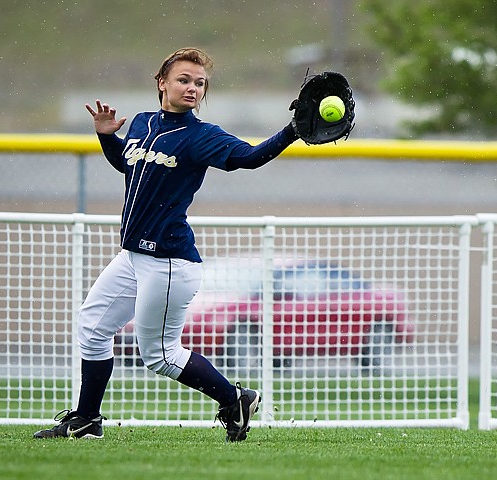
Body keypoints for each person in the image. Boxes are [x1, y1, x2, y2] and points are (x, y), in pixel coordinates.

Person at [33, 47, 298, 442]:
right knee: (92, 327)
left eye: (200, 83)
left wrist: (292, 131)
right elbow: (128, 164)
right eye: (184, 80)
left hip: (169, 262)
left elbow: (251, 157)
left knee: (160, 355)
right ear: (162, 83)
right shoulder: (141, 122)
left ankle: (235, 398)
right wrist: (107, 138)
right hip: (134, 256)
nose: (193, 88)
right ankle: (87, 420)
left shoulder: (202, 136)